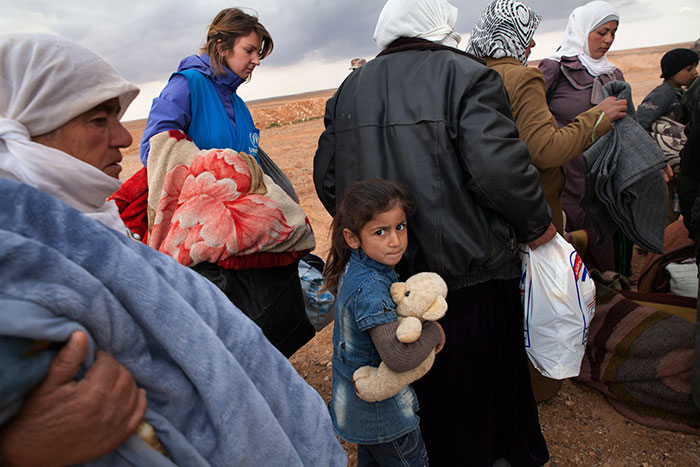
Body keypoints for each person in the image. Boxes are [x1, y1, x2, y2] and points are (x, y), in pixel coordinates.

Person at [0, 33, 347, 466]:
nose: (122, 139)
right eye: (98, 120)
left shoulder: (91, 225)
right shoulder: (19, 256)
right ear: (28, 126)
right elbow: (159, 150)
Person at [314, 1, 555, 465]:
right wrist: (536, 224)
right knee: (472, 402)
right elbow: (500, 169)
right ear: (439, 21)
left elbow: (329, 180)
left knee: (409, 398)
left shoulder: (350, 89)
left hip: (389, 278)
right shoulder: (467, 75)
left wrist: (376, 237)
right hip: (469, 276)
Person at [137, 8, 315, 357]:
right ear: (221, 46)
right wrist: (216, 172)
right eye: (249, 50)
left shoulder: (237, 102)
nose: (255, 61)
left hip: (238, 238)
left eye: (258, 53)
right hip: (200, 244)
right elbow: (154, 150)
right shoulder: (187, 86)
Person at [466, 0, 627, 235]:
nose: (531, 42)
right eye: (525, 33)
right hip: (532, 213)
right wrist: (600, 116)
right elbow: (545, 151)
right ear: (510, 35)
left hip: (485, 216)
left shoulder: (467, 74)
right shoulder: (523, 77)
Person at [324, 179, 445, 466]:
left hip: (360, 409)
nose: (395, 240)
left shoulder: (357, 267)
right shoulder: (372, 287)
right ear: (353, 238)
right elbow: (397, 358)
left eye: (399, 227)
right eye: (381, 232)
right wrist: (434, 332)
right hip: (386, 415)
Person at [538, 0, 633, 275]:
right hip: (566, 183)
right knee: (570, 257)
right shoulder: (555, 70)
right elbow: (530, 122)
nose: (608, 40)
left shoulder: (612, 74)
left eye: (613, 33)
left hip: (604, 183)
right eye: (601, 32)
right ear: (582, 29)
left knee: (605, 254)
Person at [637, 48, 699, 131]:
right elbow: (640, 123)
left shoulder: (681, 93)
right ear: (672, 73)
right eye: (689, 69)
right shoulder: (661, 95)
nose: (695, 72)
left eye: (695, 67)